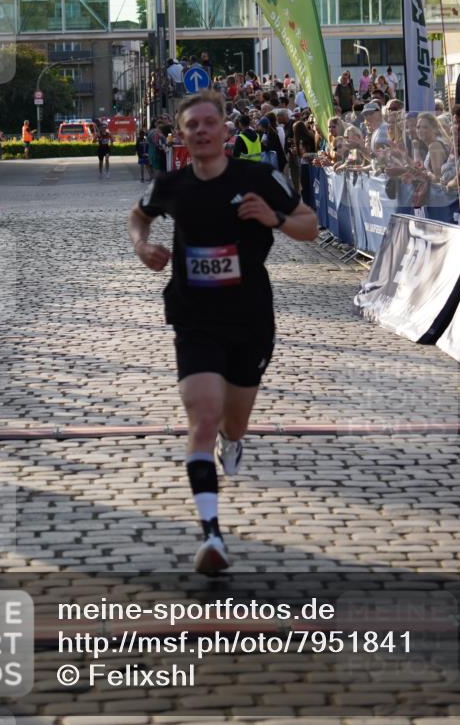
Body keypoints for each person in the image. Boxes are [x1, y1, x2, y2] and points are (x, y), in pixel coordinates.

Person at [127, 90, 318, 573]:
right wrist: (141, 246)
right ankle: (212, 535)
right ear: (181, 134)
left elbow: (309, 225)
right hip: (193, 316)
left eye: (211, 122)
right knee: (203, 418)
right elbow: (139, 216)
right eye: (193, 125)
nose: (203, 131)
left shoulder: (255, 178)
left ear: (225, 131)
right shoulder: (171, 183)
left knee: (232, 424)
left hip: (250, 318)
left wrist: (273, 218)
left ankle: (234, 441)